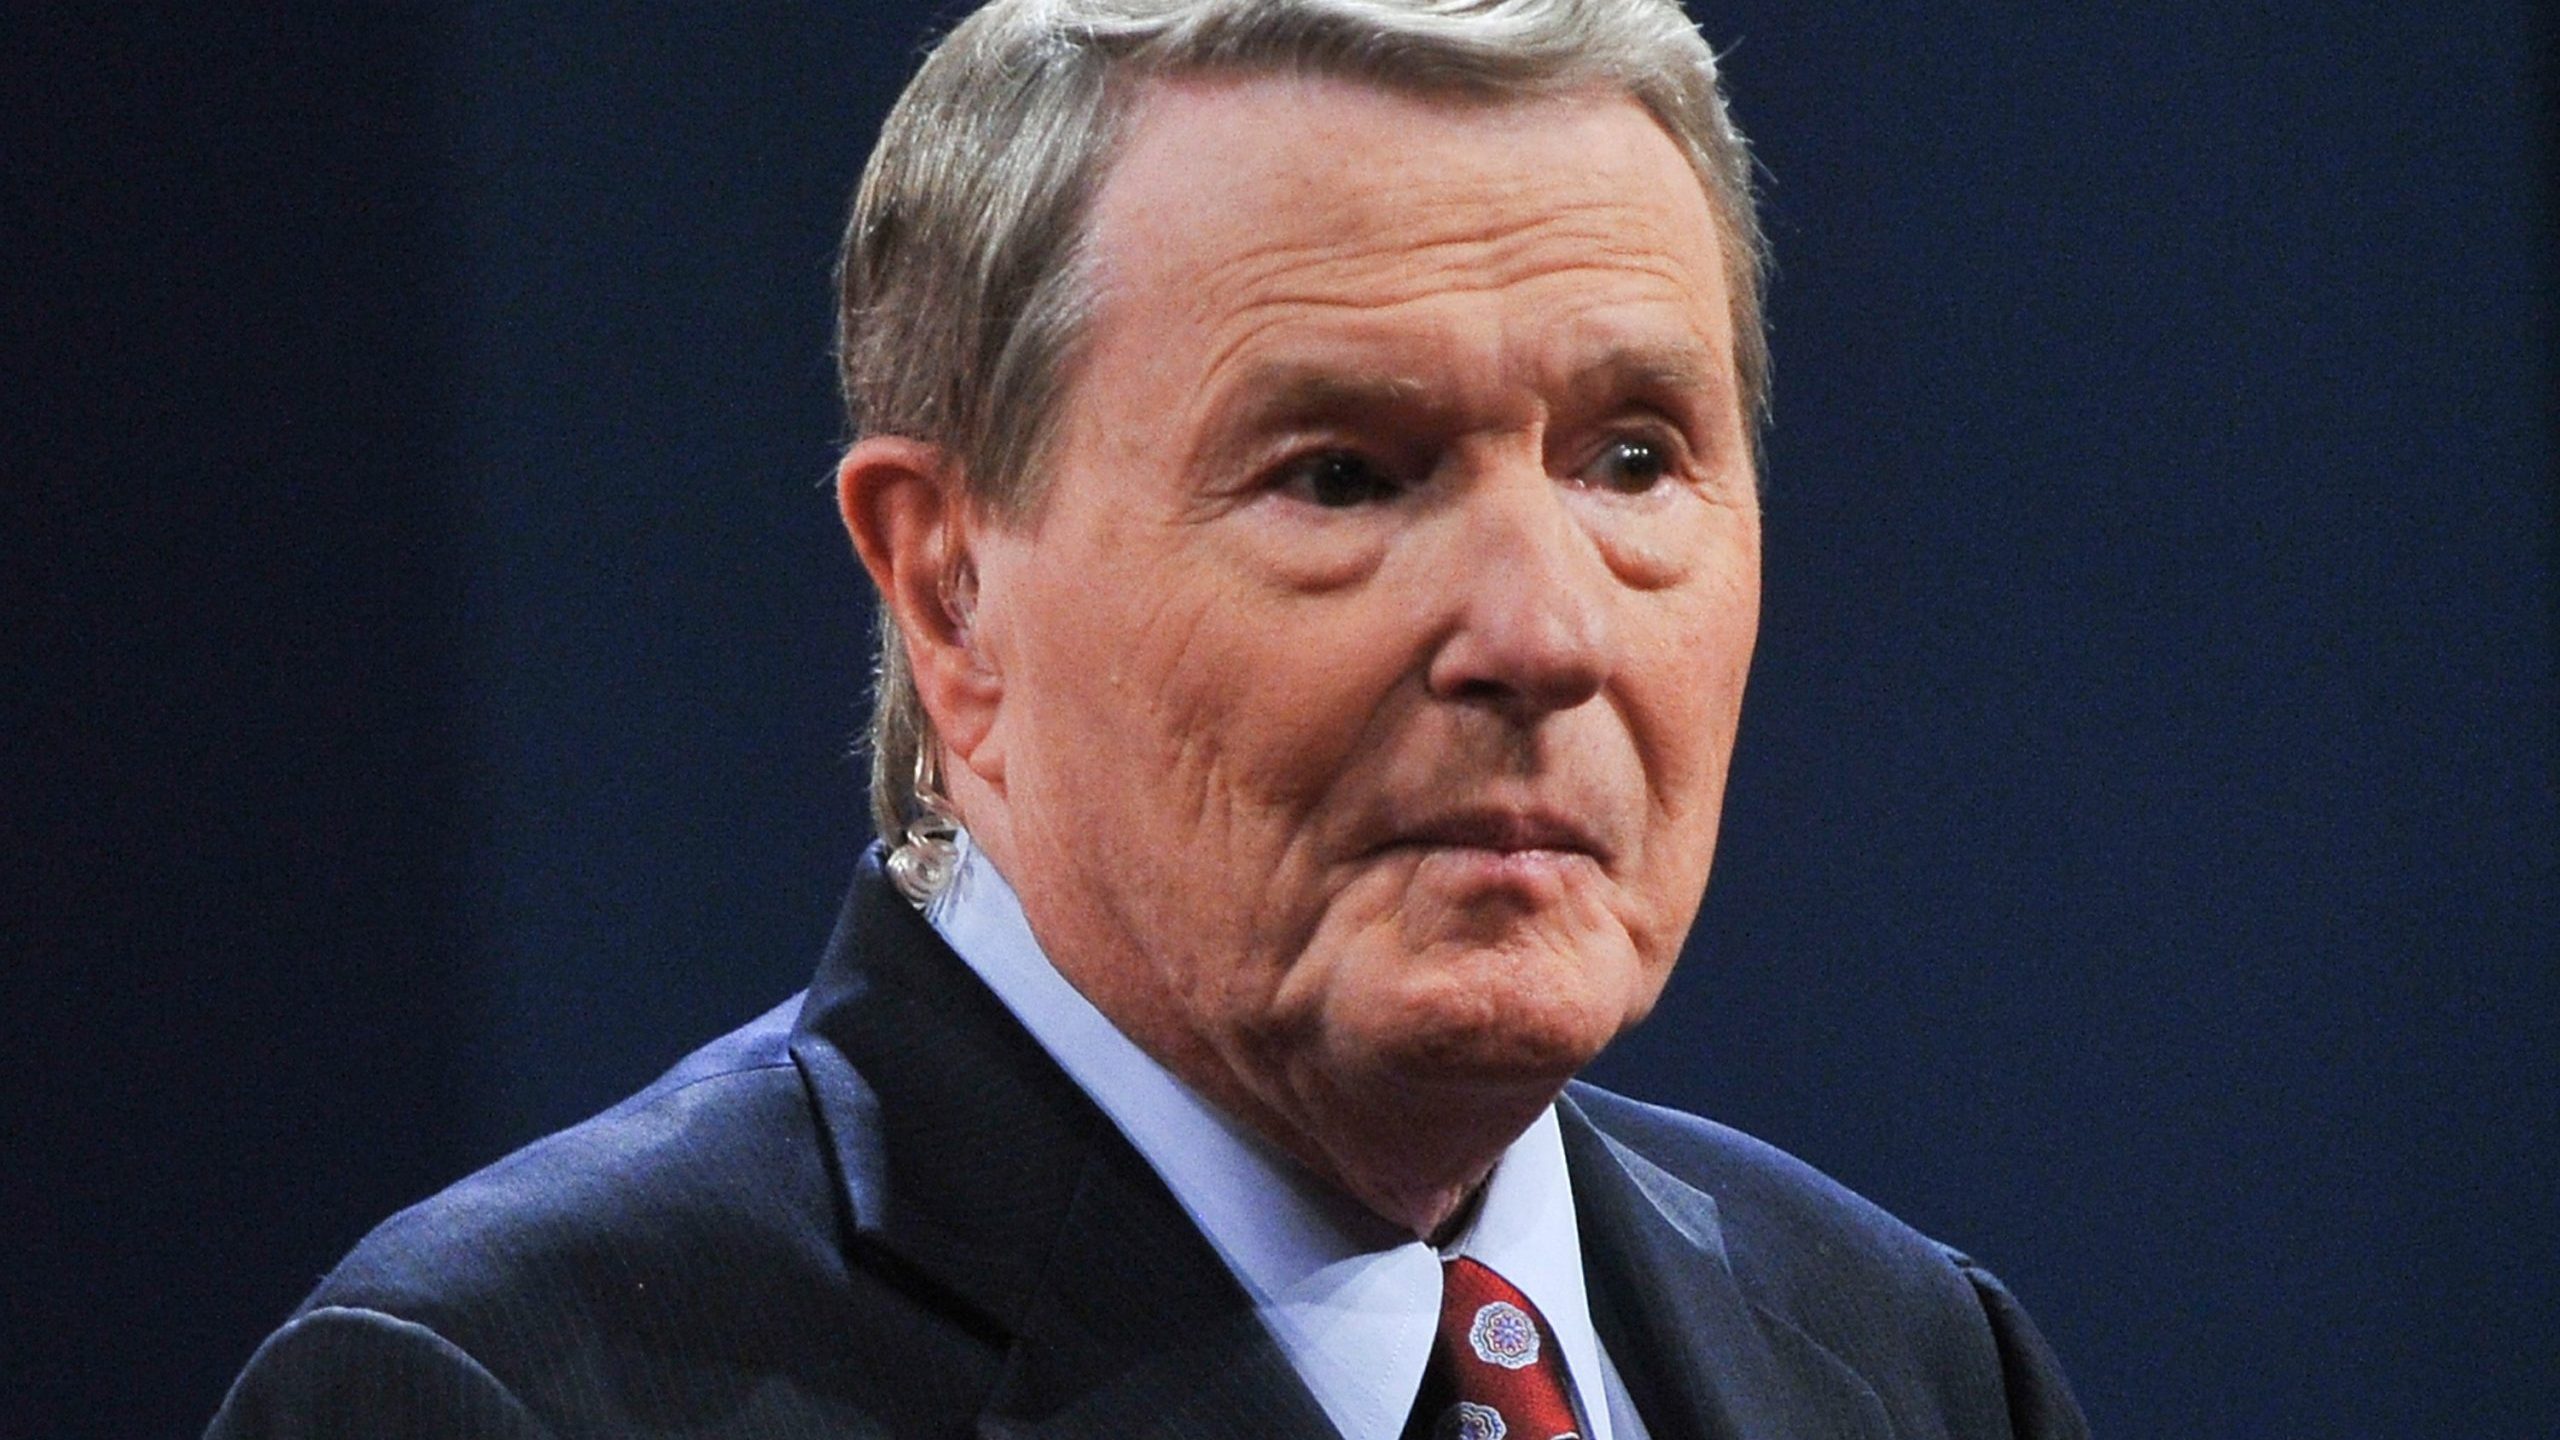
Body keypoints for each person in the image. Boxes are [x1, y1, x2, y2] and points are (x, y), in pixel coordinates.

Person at [210, 1, 2090, 1436]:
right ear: (952, 589)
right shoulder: (506, 1397)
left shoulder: (1913, 1364)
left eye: (1628, 456)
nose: (1542, 632)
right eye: (1346, 473)